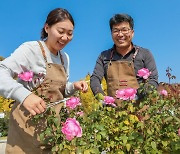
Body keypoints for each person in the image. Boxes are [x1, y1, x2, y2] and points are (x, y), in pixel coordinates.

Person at [0, 8, 88, 153]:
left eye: (70, 33)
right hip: (25, 133)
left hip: (51, 132)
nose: (65, 37)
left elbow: (60, 91)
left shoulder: (64, 58)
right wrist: (24, 95)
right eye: (61, 31)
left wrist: (73, 87)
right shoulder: (31, 50)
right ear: (47, 28)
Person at [90, 13, 158, 100]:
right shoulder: (103, 56)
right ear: (111, 34)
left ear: (132, 33)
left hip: (141, 110)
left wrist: (138, 96)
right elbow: (95, 78)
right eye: (116, 31)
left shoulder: (145, 53)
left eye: (124, 30)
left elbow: (153, 80)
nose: (120, 34)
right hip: (113, 111)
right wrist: (103, 99)